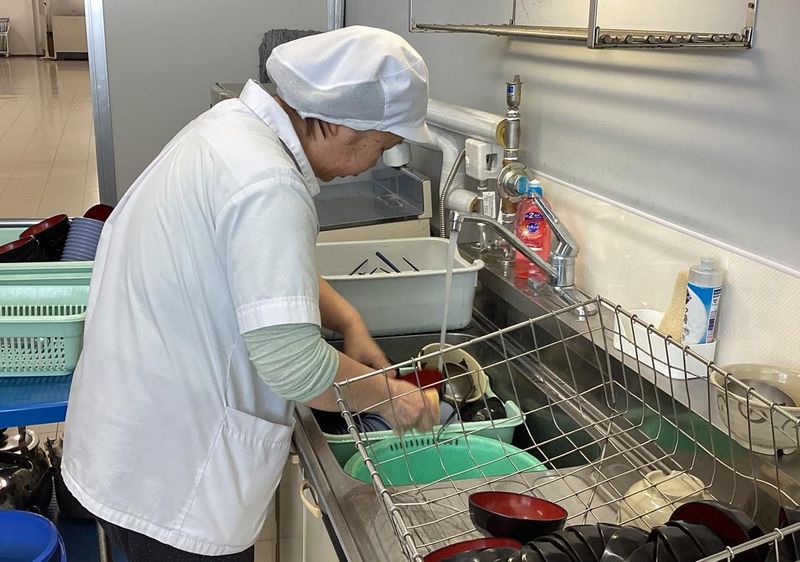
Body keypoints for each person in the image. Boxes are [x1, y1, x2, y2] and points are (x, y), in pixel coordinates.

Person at [62, 26, 438, 561]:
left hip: (130, 443)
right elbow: (294, 365)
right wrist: (390, 396)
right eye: (380, 147)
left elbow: (259, 269)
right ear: (339, 122)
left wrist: (349, 321)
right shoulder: (269, 184)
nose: (373, 164)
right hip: (175, 483)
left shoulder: (229, 131)